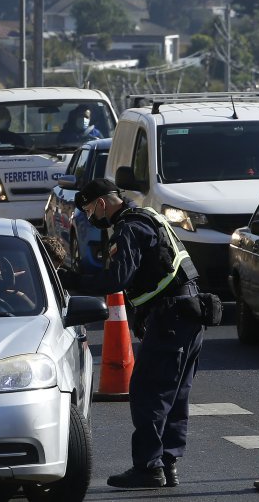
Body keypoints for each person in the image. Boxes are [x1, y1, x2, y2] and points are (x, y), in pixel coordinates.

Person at [56, 178, 203, 489]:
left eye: (88, 209)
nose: (90, 217)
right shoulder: (150, 217)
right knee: (175, 395)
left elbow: (117, 279)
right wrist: (144, 312)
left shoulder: (128, 227)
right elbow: (160, 268)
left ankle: (148, 468)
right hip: (189, 314)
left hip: (172, 318)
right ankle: (167, 464)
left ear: (100, 203)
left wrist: (70, 279)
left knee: (148, 392)